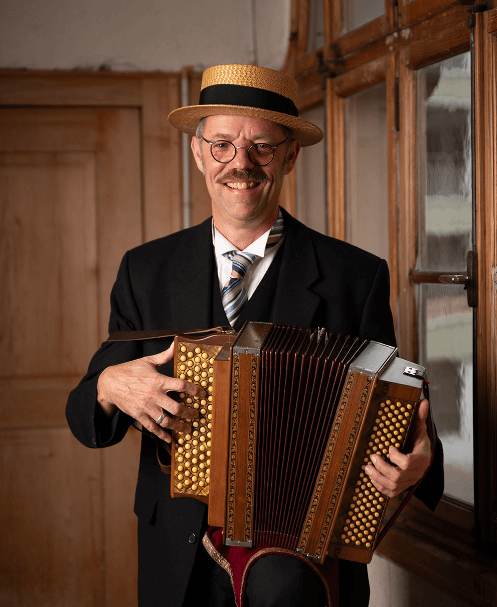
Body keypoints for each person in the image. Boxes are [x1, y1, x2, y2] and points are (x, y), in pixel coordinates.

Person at [66, 64, 443, 607]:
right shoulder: (145, 271)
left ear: (290, 156)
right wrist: (108, 387)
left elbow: (402, 409)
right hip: (179, 554)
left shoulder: (355, 276)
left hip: (304, 559)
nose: (240, 164)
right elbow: (85, 416)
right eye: (221, 145)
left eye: (261, 147)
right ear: (198, 153)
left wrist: (420, 463)